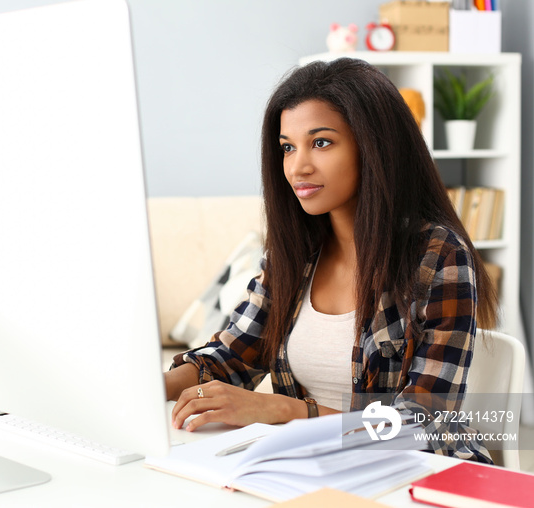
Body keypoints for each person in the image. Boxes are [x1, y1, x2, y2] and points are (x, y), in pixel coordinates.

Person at [164, 58, 498, 463]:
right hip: (309, 469)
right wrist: (146, 387)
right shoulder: (294, 254)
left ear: (374, 146)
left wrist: (286, 411)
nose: (297, 167)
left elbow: (419, 428)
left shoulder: (438, 257)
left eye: (321, 142)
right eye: (288, 147)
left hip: (414, 478)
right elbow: (231, 358)